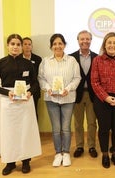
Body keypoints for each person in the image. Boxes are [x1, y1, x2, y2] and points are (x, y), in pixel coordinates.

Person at [0, 34, 41, 175]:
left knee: (25, 132)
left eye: (18, 44)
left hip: (26, 101)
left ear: (22, 46)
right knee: (9, 133)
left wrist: (30, 92)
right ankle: (10, 163)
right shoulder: (0, 63)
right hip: (8, 101)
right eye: (13, 44)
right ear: (8, 45)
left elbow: (35, 83)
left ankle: (25, 162)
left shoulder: (28, 63)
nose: (15, 47)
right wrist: (6, 92)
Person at [38, 33, 81, 167]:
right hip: (51, 99)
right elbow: (41, 78)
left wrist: (68, 88)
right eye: (55, 44)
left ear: (64, 45)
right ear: (51, 46)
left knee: (66, 128)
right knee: (56, 128)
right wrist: (47, 88)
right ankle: (58, 153)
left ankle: (66, 152)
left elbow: (77, 78)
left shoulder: (72, 60)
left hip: (67, 98)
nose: (57, 46)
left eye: (60, 43)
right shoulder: (45, 61)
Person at [91, 32, 115, 168]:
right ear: (104, 45)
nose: (112, 45)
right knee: (104, 128)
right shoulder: (97, 60)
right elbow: (95, 82)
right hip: (103, 100)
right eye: (109, 43)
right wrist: (107, 98)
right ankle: (105, 154)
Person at [69, 30, 98, 158]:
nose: (85, 41)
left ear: (91, 40)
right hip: (77, 94)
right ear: (78, 40)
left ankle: (92, 146)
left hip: (93, 95)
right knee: (78, 122)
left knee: (92, 122)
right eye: (82, 39)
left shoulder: (97, 57)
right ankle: (79, 146)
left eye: (87, 39)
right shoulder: (71, 57)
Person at [22, 37, 42, 119]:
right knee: (23, 114)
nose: (27, 46)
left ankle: (35, 132)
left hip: (34, 90)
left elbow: (40, 75)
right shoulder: (18, 58)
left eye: (29, 44)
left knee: (33, 112)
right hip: (21, 90)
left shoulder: (37, 59)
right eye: (25, 44)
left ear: (32, 46)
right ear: (22, 46)